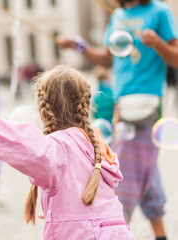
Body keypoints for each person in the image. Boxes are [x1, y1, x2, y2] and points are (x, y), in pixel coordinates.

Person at [0, 65, 134, 239]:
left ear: (42, 110)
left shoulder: (55, 150)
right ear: (87, 106)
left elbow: (12, 141)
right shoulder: (96, 142)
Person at [56, 1, 178, 239]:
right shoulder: (118, 14)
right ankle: (160, 235)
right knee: (144, 170)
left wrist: (158, 44)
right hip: (122, 105)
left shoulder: (159, 11)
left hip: (147, 104)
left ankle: (116, 230)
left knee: (126, 174)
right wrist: (77, 45)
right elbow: (108, 58)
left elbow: (175, 58)